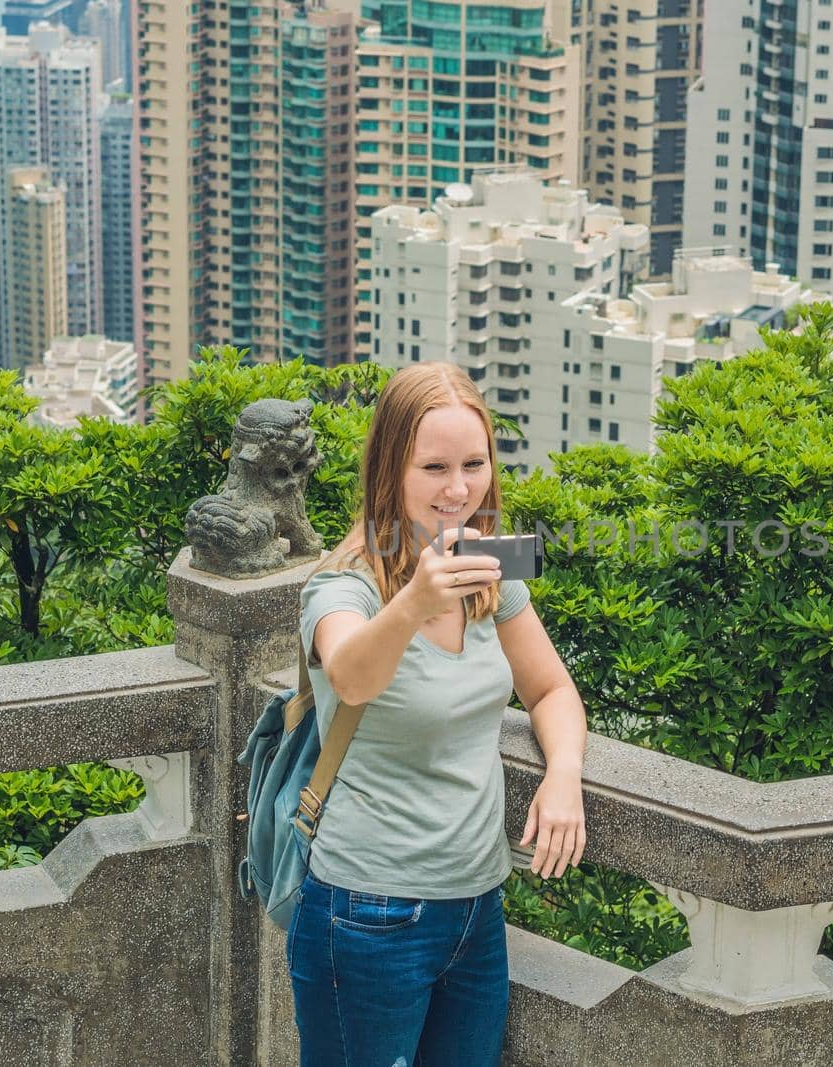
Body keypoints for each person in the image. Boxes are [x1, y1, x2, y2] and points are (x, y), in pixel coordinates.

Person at [290, 361, 588, 1067]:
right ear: (391, 468)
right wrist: (415, 601)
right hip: (368, 911)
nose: (459, 489)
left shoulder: (488, 570)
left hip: (477, 907)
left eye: (473, 464)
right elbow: (351, 675)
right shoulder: (343, 583)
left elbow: (551, 691)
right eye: (434, 467)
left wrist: (565, 773)